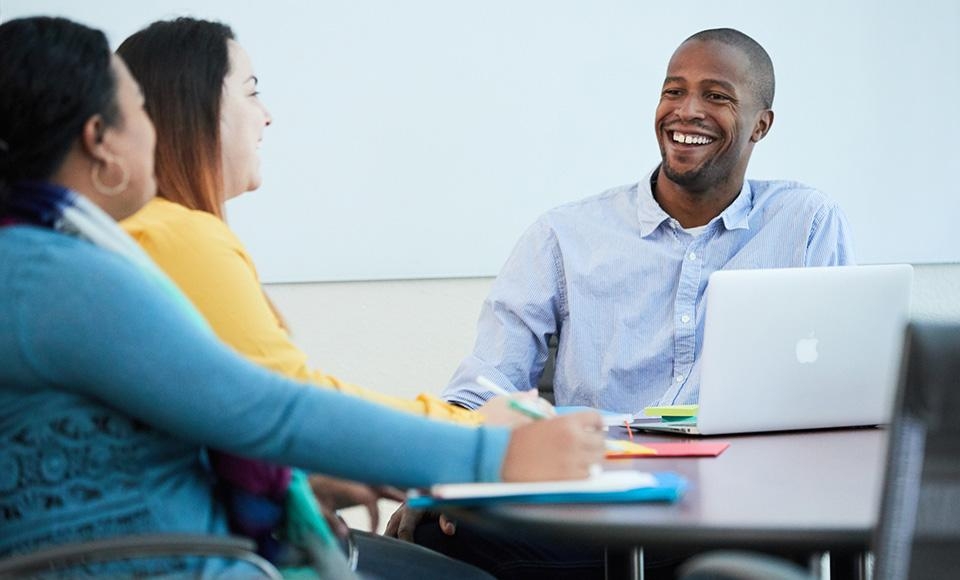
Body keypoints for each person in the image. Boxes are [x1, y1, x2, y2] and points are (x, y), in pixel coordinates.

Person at [0, 16, 605, 577]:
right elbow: (268, 411)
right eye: (139, 113)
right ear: (99, 139)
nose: (156, 134)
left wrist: (318, 476)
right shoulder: (55, 274)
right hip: (182, 560)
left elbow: (175, 427)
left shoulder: (43, 259)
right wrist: (491, 454)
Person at [390, 28, 856, 579]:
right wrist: (445, 469)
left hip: (742, 510)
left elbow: (839, 392)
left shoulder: (805, 222)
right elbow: (484, 385)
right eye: (673, 91)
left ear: (761, 124)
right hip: (594, 500)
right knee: (432, 530)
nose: (687, 111)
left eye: (717, 96)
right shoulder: (564, 236)